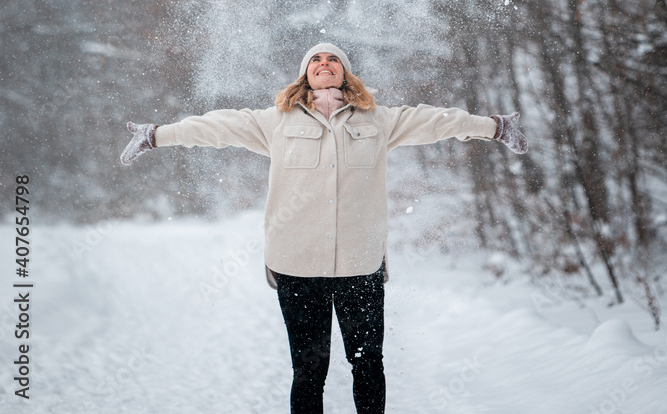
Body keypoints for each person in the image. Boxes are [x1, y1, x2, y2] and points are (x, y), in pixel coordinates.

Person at [121, 42, 528, 414]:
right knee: (308, 369)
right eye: (315, 60)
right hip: (297, 266)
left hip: (360, 264)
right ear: (305, 75)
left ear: (345, 74)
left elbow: (436, 122)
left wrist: (493, 126)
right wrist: (156, 135)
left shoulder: (379, 120)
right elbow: (216, 127)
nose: (324, 63)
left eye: (333, 59)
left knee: (368, 364)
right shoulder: (275, 122)